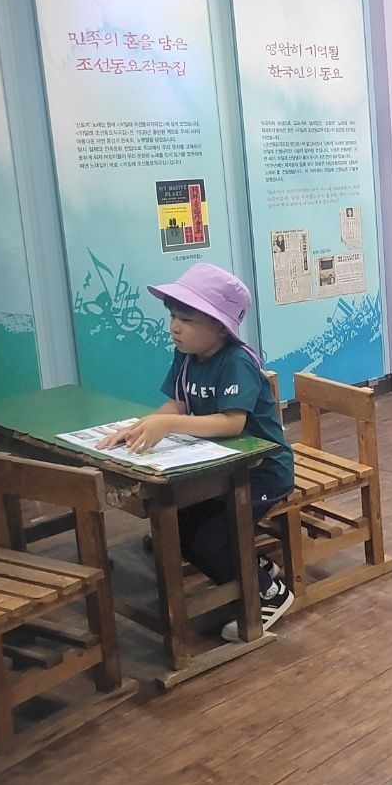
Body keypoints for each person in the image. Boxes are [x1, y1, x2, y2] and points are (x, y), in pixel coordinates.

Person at [97, 263, 295, 640]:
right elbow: (177, 403)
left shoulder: (236, 362)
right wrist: (142, 426)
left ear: (220, 327)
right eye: (173, 316)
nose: (175, 327)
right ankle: (252, 565)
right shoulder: (187, 356)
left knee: (210, 541)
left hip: (262, 473)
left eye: (186, 319)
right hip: (219, 470)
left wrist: (169, 425)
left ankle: (269, 594)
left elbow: (232, 423)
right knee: (179, 527)